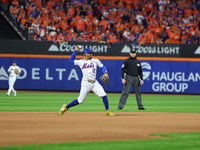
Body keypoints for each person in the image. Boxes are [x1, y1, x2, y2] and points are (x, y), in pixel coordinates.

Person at [59, 46, 114, 116]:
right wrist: (76, 51)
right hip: (86, 83)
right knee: (80, 101)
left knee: (104, 95)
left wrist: (105, 73)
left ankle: (107, 110)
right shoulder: (80, 62)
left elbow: (103, 67)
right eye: (89, 53)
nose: (91, 54)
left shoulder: (96, 60)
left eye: (91, 53)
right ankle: (65, 107)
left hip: (94, 83)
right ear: (85, 54)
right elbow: (71, 60)